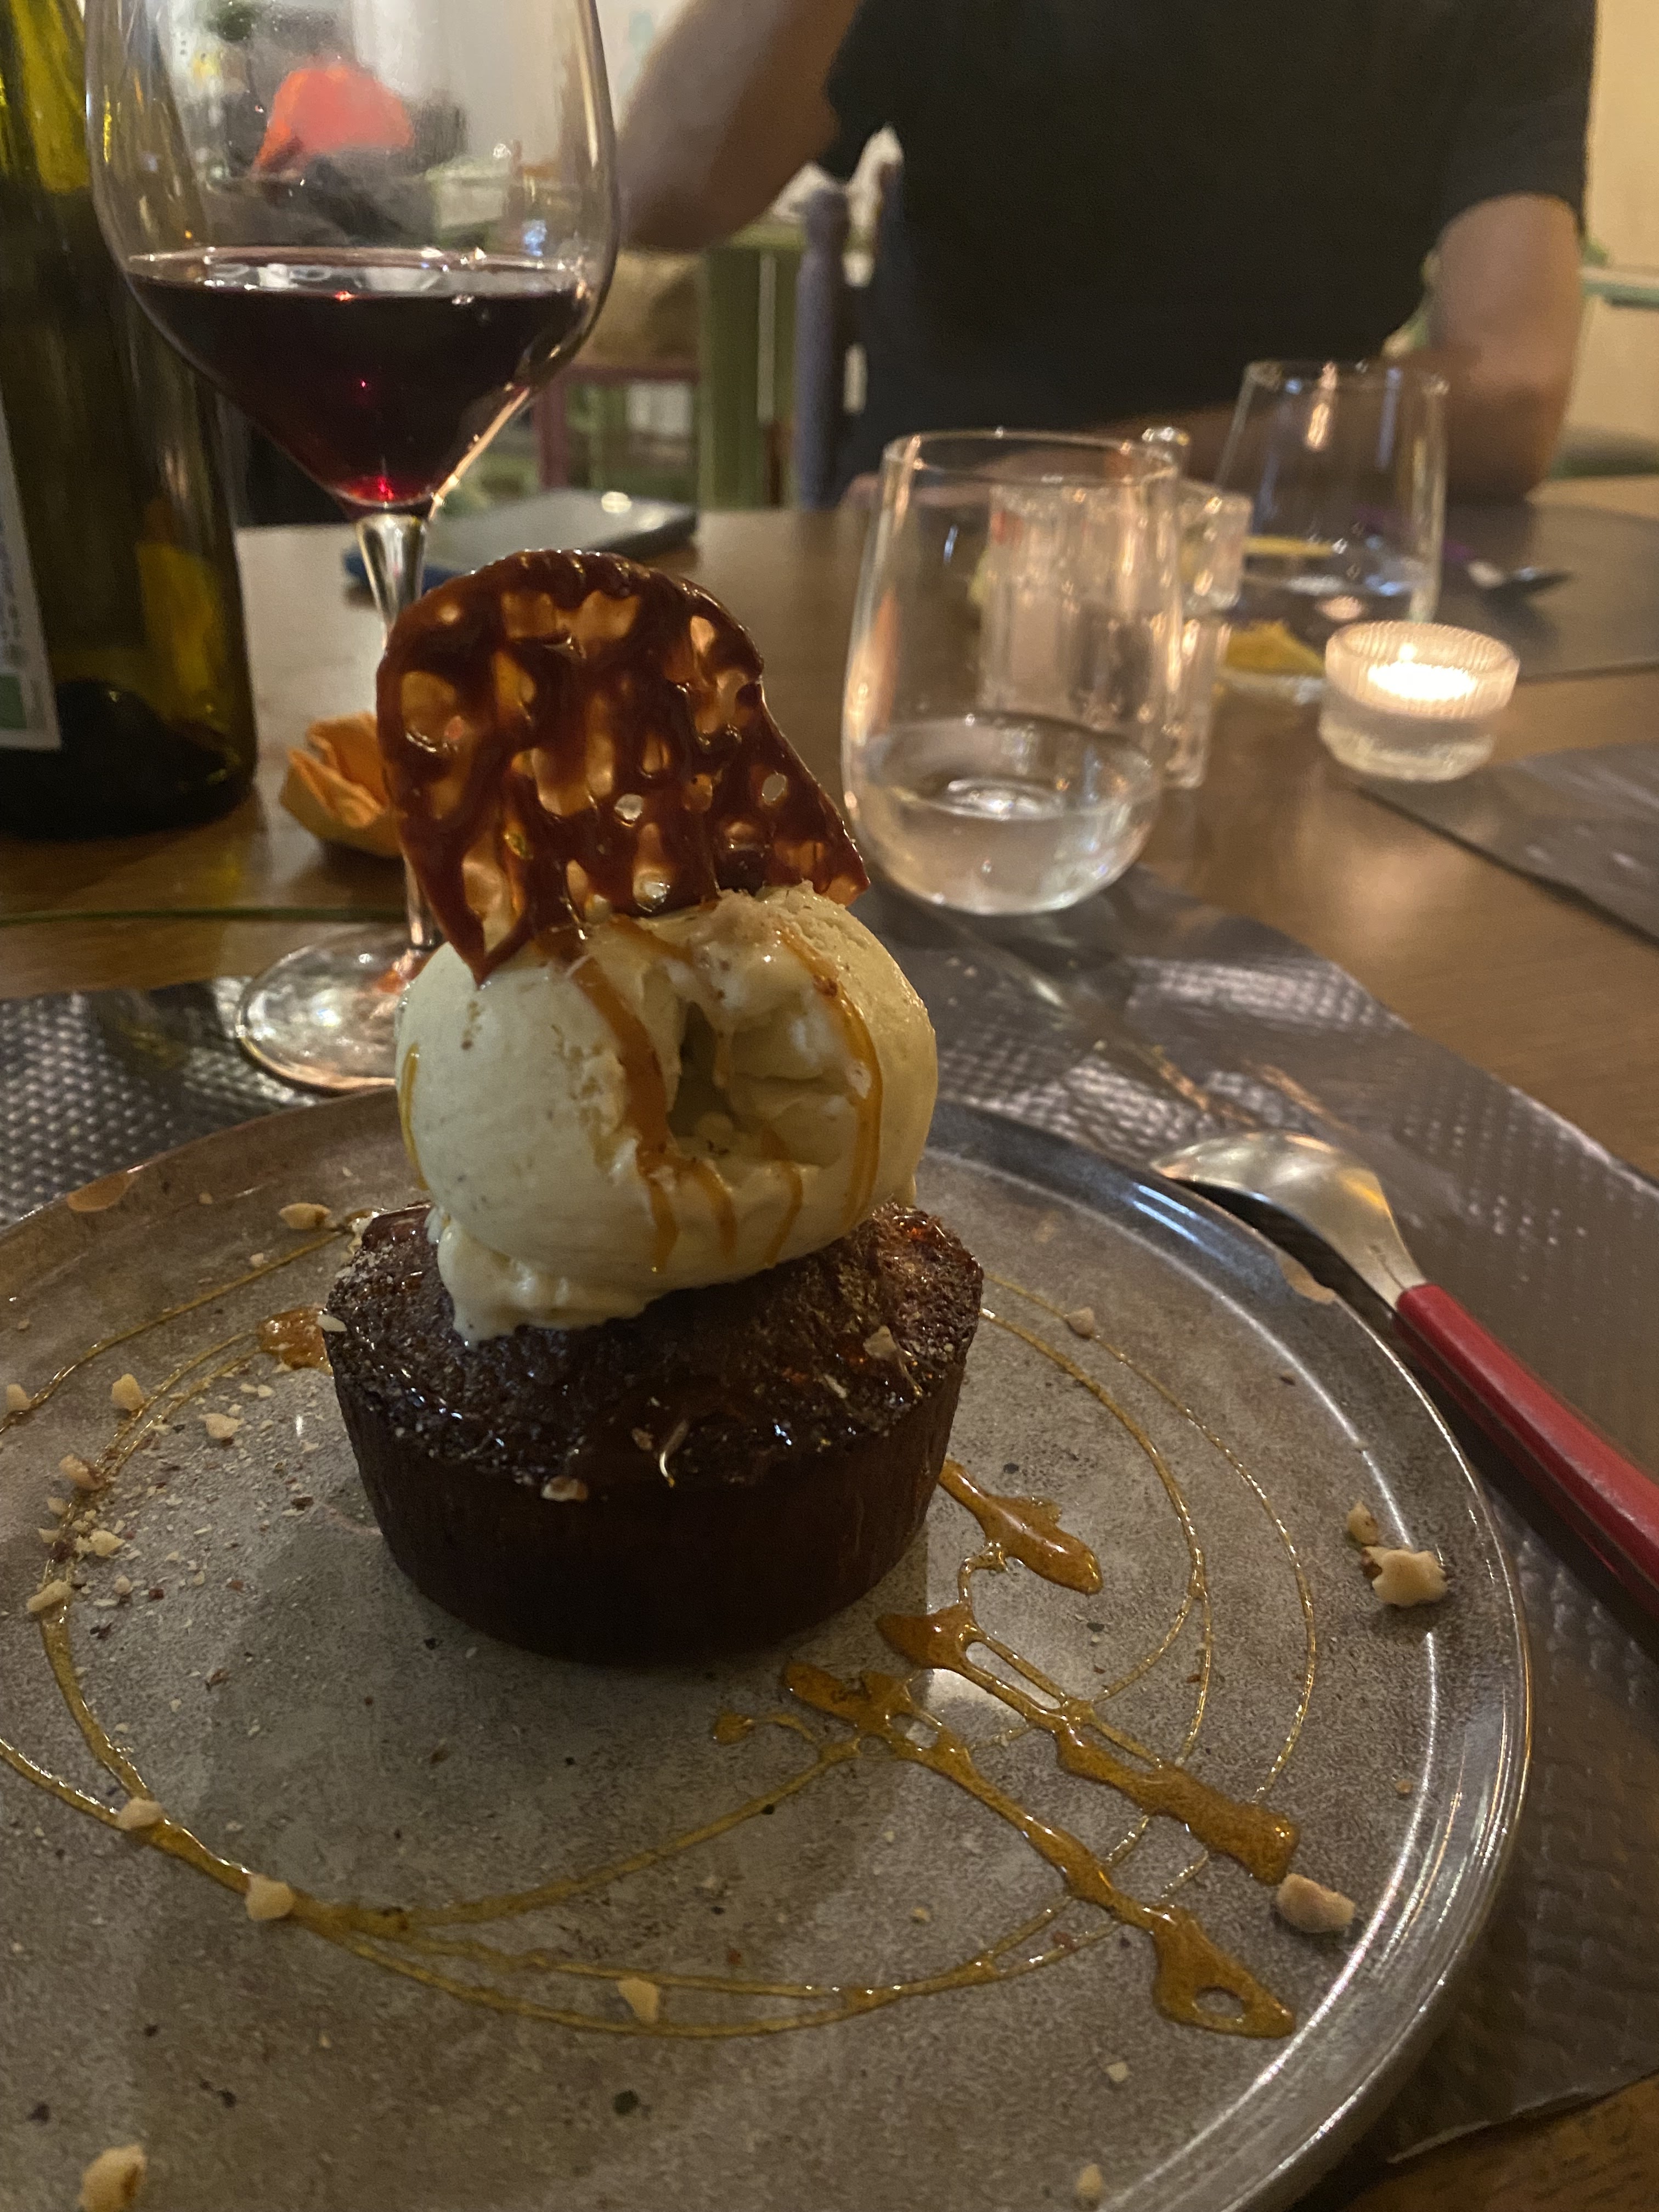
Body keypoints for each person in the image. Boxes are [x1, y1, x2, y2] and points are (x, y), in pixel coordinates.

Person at [619, 0, 1593, 499]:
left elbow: (1512, 395)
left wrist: (1114, 474)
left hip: (1281, 568)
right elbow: (654, 194)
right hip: (934, 554)